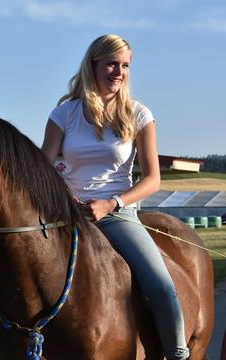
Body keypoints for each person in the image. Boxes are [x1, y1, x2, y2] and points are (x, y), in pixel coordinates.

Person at [41, 34, 189, 360]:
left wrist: (113, 203)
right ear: (92, 65)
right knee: (2, 286)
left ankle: (178, 354)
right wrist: (66, 197)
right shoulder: (64, 114)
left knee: (161, 286)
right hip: (67, 213)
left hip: (117, 213)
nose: (118, 72)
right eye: (111, 63)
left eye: (124, 65)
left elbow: (152, 179)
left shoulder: (139, 115)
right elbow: (44, 168)